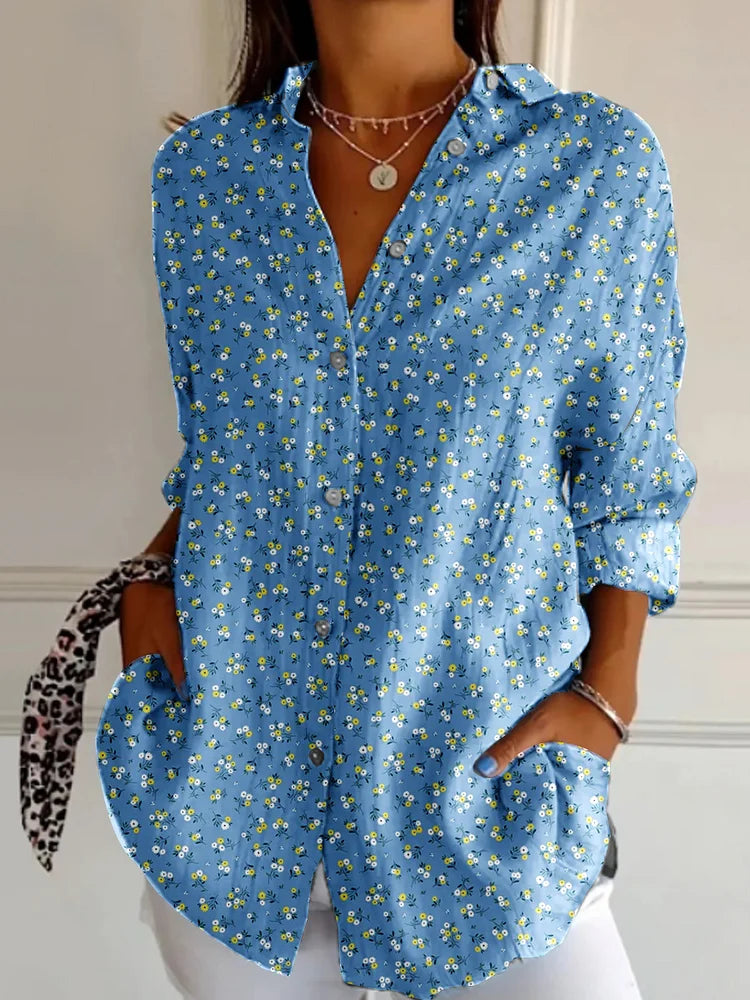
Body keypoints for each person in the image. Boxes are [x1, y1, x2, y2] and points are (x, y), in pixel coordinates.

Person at [96, 1, 697, 998]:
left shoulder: (590, 167)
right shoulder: (203, 181)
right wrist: (148, 585)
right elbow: (229, 455)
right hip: (235, 811)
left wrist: (610, 693)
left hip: (488, 809)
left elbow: (627, 476)